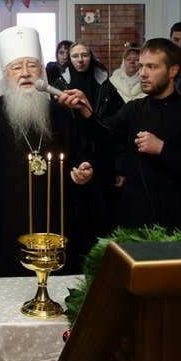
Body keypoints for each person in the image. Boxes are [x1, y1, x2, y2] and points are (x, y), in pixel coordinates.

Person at [0, 26, 94, 277]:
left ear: (42, 71)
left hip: (54, 214)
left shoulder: (61, 112)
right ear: (5, 75)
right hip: (5, 215)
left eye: (32, 66)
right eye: (16, 67)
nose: (25, 73)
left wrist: (83, 169)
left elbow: (80, 152)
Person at [57, 39, 181, 231]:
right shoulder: (134, 109)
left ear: (173, 70)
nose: (142, 73)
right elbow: (105, 133)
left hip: (175, 212)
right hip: (134, 210)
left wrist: (162, 149)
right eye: (141, 66)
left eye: (151, 67)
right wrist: (86, 109)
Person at [51, 41, 123, 261]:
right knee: (73, 216)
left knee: (101, 215)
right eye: (75, 56)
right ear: (69, 60)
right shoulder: (58, 85)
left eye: (84, 55)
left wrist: (120, 166)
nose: (80, 60)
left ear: (91, 58)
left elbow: (118, 128)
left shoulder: (105, 86)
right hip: (70, 159)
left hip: (101, 158)